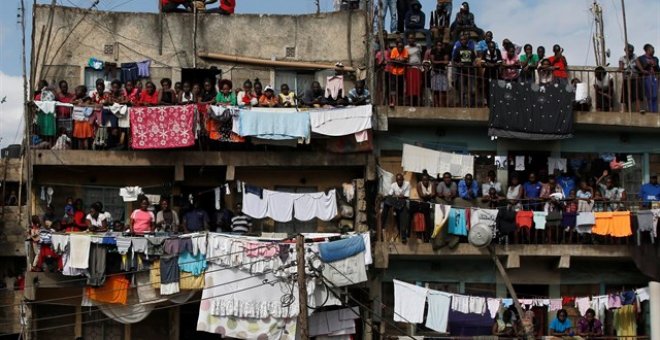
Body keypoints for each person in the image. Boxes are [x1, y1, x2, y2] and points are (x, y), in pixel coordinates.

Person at [382, 173, 411, 243]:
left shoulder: (407, 184)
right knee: (386, 203)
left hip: (403, 202)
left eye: (401, 180)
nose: (400, 182)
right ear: (396, 180)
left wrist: (397, 197)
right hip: (396, 201)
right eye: (398, 180)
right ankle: (383, 222)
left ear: (403, 180)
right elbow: (390, 195)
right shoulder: (393, 185)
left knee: (403, 216)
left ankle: (403, 237)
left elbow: (406, 196)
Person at [453, 34, 477, 107]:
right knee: (462, 90)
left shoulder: (470, 49)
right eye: (461, 40)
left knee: (473, 90)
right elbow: (454, 61)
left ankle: (472, 106)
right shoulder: (457, 49)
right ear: (460, 41)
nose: (463, 41)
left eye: (464, 39)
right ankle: (462, 106)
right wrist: (458, 64)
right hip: (461, 73)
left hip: (471, 72)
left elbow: (474, 60)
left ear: (467, 41)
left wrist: (474, 64)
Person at [619, 44, 643, 112]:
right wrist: (622, 69)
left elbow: (638, 65)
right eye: (629, 51)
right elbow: (621, 67)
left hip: (634, 77)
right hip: (626, 78)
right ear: (625, 51)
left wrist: (642, 70)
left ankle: (638, 109)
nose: (630, 53)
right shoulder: (622, 58)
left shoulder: (634, 56)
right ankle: (627, 110)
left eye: (631, 51)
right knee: (626, 95)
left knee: (637, 94)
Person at [636, 43, 659, 112]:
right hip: (646, 78)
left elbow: (658, 69)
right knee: (649, 95)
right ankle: (651, 111)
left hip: (655, 77)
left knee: (655, 95)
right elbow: (641, 69)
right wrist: (647, 63)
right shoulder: (641, 58)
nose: (653, 51)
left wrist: (654, 65)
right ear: (647, 50)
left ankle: (655, 111)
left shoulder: (655, 58)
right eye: (652, 49)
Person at [430, 40, 450, 107]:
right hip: (435, 72)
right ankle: (436, 105)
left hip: (443, 72)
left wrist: (438, 62)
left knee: (444, 90)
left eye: (440, 45)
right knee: (435, 91)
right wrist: (442, 62)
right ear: (436, 46)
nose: (439, 47)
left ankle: (443, 105)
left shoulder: (445, 51)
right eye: (438, 45)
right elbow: (433, 61)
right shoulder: (433, 51)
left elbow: (446, 61)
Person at [389, 38, 408, 107]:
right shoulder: (394, 50)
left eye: (402, 47)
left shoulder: (405, 50)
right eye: (399, 47)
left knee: (401, 88)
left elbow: (405, 61)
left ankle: (400, 103)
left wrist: (397, 61)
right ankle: (394, 102)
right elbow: (393, 62)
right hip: (394, 72)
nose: (400, 48)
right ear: (396, 46)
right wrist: (400, 61)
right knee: (393, 88)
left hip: (402, 73)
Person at [405, 34, 423, 106]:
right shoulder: (406, 48)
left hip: (417, 68)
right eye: (410, 38)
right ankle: (410, 103)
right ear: (408, 39)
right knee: (410, 87)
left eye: (412, 38)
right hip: (410, 68)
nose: (411, 39)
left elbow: (420, 56)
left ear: (415, 39)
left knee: (417, 86)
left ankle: (418, 103)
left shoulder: (419, 46)